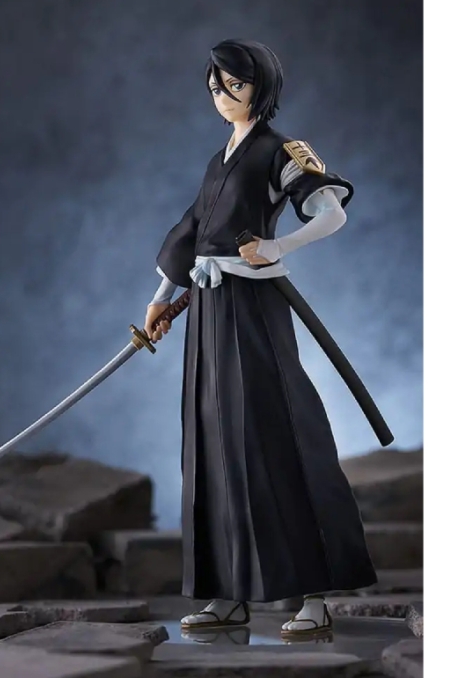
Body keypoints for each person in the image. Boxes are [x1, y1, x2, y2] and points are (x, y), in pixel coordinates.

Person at [143, 39, 377, 639]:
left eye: (235, 85)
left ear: (261, 88)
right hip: (209, 310)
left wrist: (277, 246)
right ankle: (227, 592)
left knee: (276, 435)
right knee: (212, 442)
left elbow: (331, 213)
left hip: (252, 307)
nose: (223, 96)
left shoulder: (281, 150)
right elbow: (192, 229)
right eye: (215, 86)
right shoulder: (217, 159)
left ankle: (313, 596)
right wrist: (161, 296)